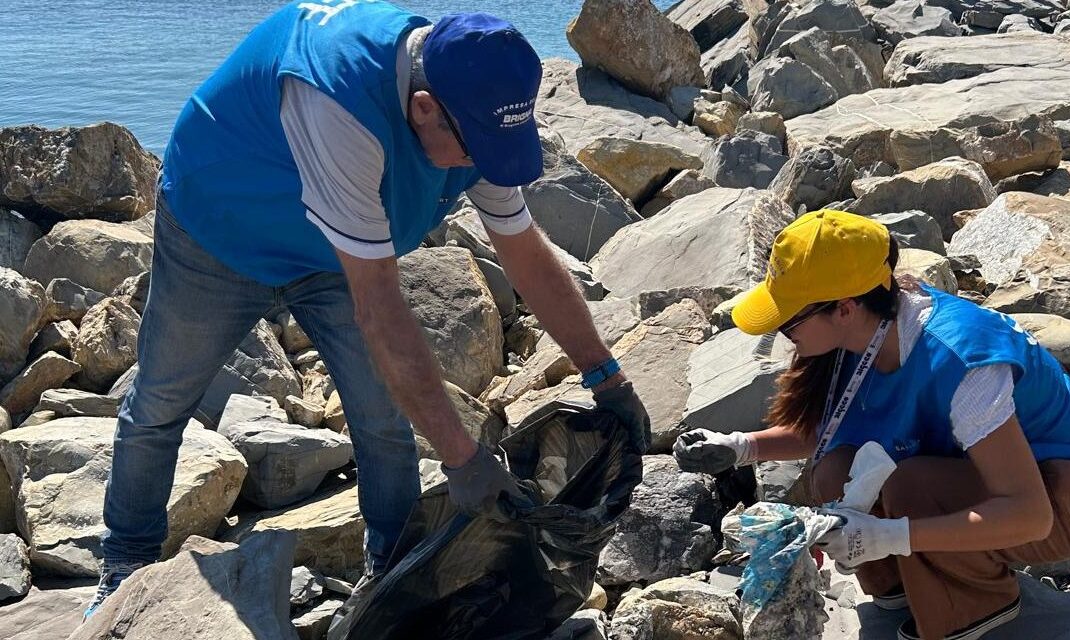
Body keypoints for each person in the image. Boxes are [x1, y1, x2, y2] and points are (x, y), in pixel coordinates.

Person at [87, 0, 650, 621]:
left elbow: (524, 255)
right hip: (220, 233)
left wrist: (606, 374)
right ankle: (124, 569)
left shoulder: (473, 109)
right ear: (424, 108)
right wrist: (463, 460)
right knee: (162, 403)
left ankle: (394, 571)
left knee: (383, 420)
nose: (477, 166)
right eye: (472, 151)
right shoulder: (337, 99)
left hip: (329, 250)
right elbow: (380, 307)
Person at [674, 210, 1070, 640]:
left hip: (1063, 497)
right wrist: (739, 446)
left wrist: (894, 535)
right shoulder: (862, 334)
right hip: (983, 480)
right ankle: (906, 585)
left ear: (843, 307)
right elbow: (832, 430)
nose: (783, 331)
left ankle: (971, 613)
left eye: (789, 318)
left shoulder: (961, 361)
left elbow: (1029, 514)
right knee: (834, 471)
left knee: (910, 484)